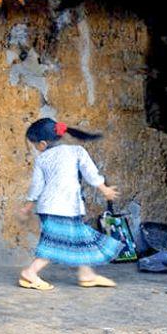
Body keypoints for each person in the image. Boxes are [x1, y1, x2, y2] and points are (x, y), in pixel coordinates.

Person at [19, 119, 121, 291]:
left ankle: (86, 274)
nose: (36, 148)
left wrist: (28, 206)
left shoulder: (42, 159)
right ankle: (30, 272)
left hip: (54, 207)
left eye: (35, 145)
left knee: (78, 239)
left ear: (43, 144)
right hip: (64, 207)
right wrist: (105, 190)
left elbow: (37, 186)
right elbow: (90, 172)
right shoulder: (76, 151)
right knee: (54, 242)